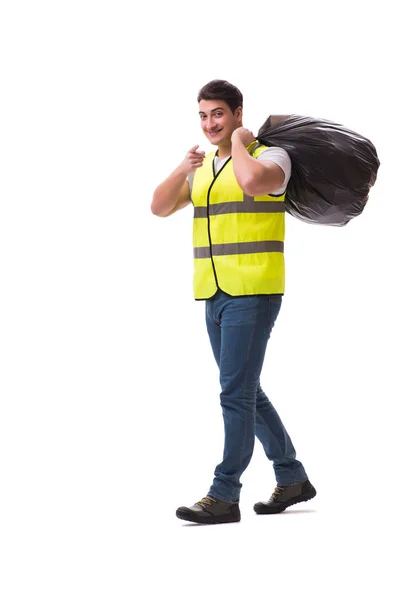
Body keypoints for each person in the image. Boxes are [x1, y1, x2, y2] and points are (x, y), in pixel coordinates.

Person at [151, 79, 316, 525]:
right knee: (245, 390)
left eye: (218, 114)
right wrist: (180, 168)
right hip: (213, 290)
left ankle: (224, 494)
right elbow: (159, 207)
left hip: (254, 289)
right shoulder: (203, 168)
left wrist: (242, 143)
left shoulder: (271, 156)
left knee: (234, 393)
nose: (210, 123)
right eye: (203, 115)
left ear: (238, 113)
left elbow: (252, 181)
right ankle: (292, 475)